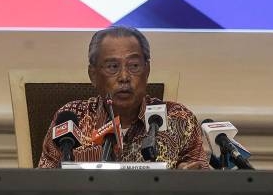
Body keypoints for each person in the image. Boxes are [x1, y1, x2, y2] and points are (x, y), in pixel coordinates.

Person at [37, 25, 209, 169]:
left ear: (147, 70)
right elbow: (43, 187)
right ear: (93, 75)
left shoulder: (178, 119)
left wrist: (189, 178)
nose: (124, 77)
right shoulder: (73, 119)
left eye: (134, 65)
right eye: (112, 66)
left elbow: (203, 187)